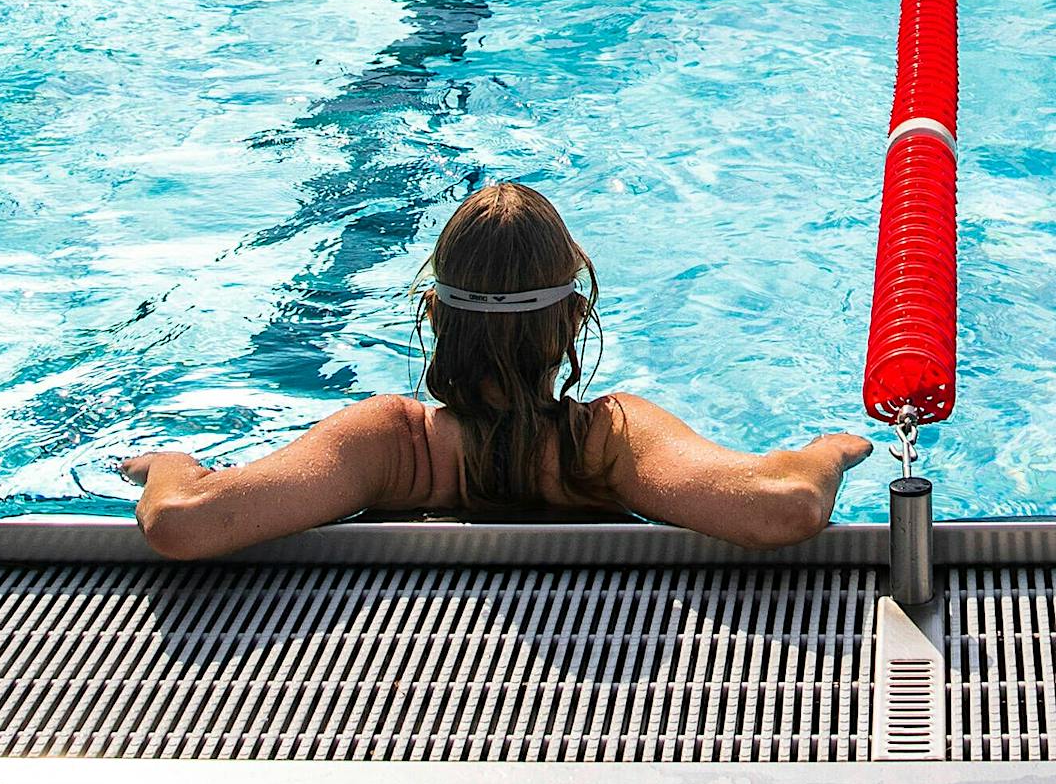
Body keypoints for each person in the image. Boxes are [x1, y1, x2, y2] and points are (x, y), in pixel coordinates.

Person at [121, 182, 871, 558]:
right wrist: (827, 451)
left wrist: (172, 466)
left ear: (433, 316)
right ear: (574, 319)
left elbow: (182, 522)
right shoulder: (608, 439)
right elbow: (784, 506)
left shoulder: (388, 444)